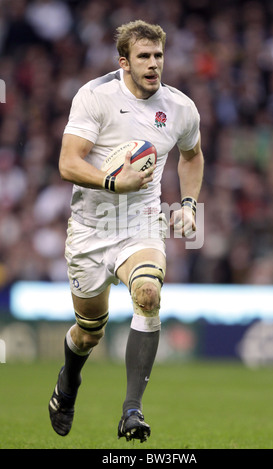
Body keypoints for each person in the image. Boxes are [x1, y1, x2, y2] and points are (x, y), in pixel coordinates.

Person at [48, 19, 204, 443]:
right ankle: (69, 382)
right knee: (89, 332)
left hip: (140, 224)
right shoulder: (94, 96)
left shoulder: (180, 108)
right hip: (90, 228)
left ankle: (132, 411)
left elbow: (192, 156)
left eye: (158, 56)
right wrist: (113, 181)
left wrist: (189, 204)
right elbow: (68, 163)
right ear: (124, 62)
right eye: (144, 57)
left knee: (148, 294)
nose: (154, 64)